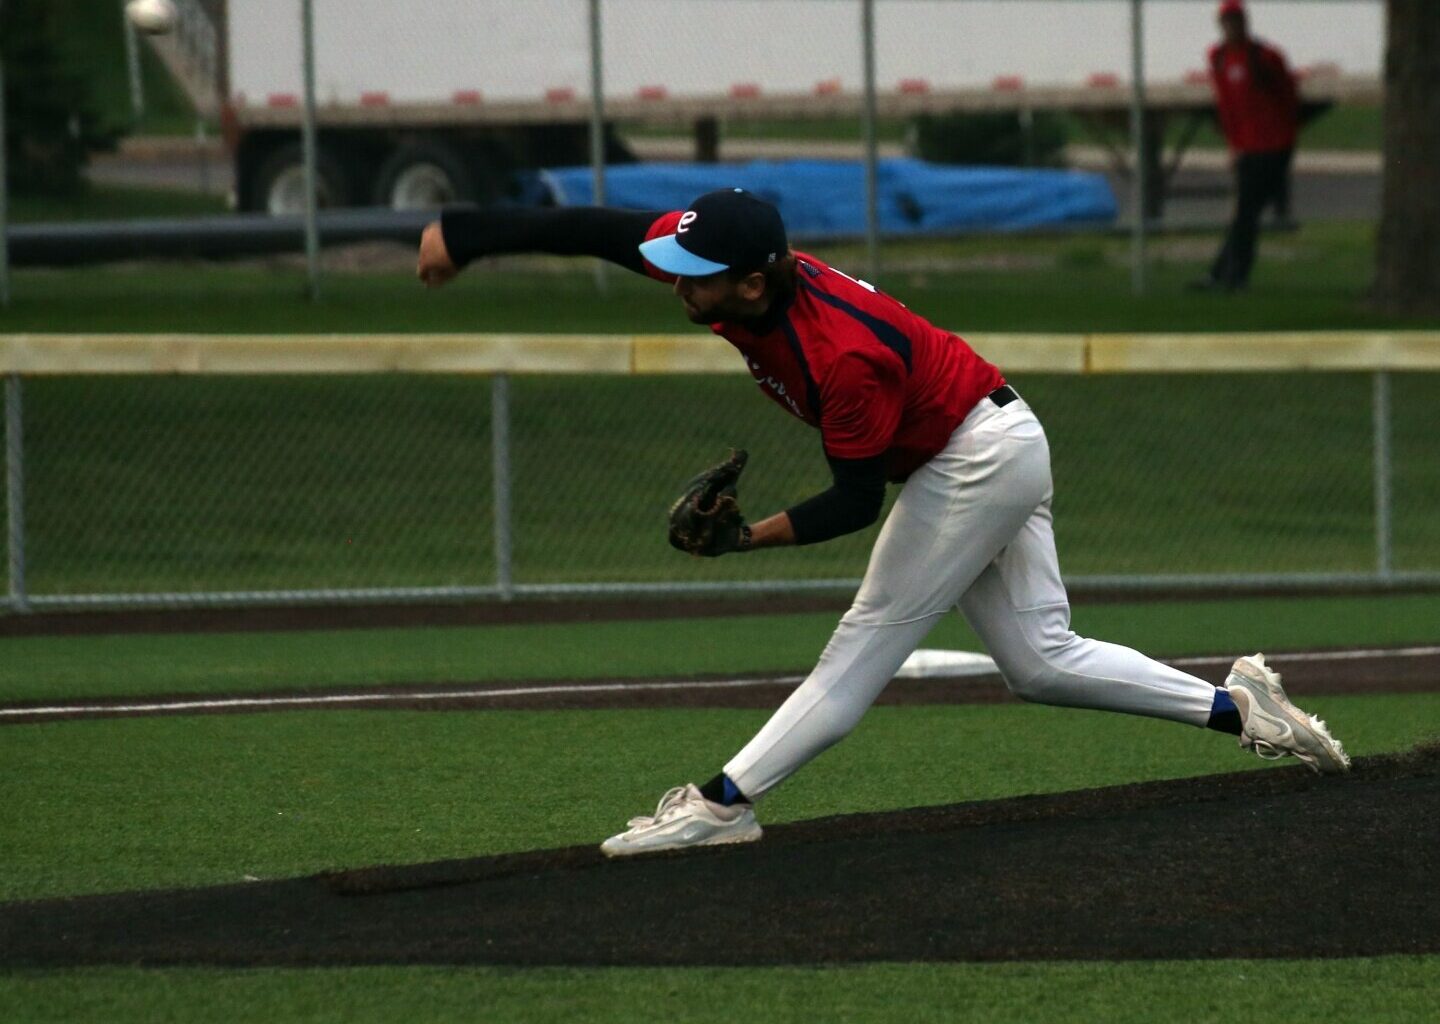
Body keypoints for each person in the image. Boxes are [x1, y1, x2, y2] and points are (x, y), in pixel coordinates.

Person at [417, 188, 1350, 858]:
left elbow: (855, 502)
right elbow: (593, 228)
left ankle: (724, 802)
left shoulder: (844, 359)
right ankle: (1242, 710)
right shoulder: (741, 275)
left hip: (974, 458)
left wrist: (744, 539)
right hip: (987, 435)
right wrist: (464, 232)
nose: (673, 284)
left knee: (862, 645)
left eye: (692, 276)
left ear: (749, 284)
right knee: (1041, 661)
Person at [1191, 0, 1300, 293]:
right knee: (1245, 213)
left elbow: (1288, 97)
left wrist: (1286, 136)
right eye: (1227, 21)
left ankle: (1231, 274)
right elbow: (1227, 106)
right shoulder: (1219, 59)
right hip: (1246, 147)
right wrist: (1234, 144)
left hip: (1273, 144)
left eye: (1237, 20)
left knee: (1246, 211)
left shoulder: (1265, 57)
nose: (1233, 27)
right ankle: (1227, 273)